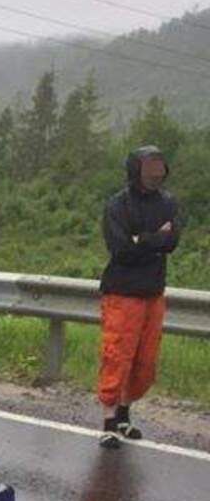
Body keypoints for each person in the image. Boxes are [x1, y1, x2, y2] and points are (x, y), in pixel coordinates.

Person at [96, 145, 180, 449]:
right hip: (122, 292)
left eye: (159, 168)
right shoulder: (117, 205)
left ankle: (124, 415)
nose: (155, 175)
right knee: (118, 355)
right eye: (149, 169)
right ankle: (108, 422)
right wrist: (154, 239)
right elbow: (121, 249)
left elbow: (172, 242)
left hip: (153, 292)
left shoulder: (168, 203)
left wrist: (142, 239)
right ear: (136, 171)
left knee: (144, 361)